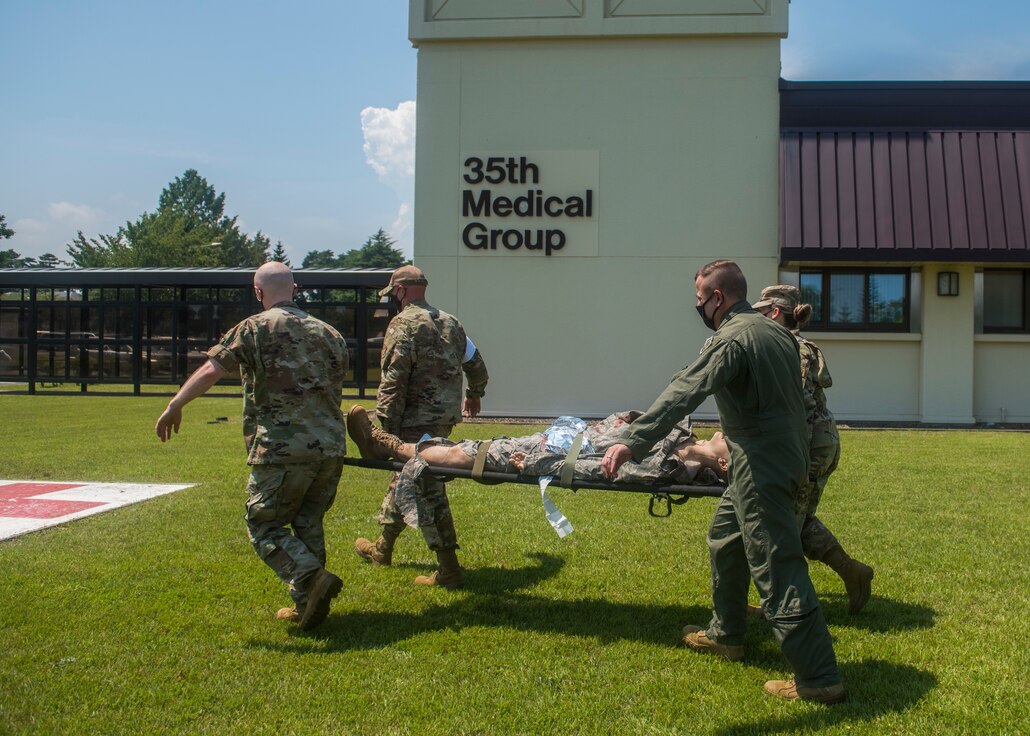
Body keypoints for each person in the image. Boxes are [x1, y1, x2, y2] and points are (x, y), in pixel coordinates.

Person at [601, 260, 845, 705]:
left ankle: (819, 677)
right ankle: (727, 633)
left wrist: (632, 441)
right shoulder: (777, 334)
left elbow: (685, 390)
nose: (698, 306)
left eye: (700, 299)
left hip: (761, 464)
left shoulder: (732, 337)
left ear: (717, 297)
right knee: (726, 537)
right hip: (782, 454)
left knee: (777, 564)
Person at [155, 261, 348, 631]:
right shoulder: (330, 333)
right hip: (329, 446)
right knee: (308, 522)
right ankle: (307, 602)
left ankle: (309, 577)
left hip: (281, 448)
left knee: (263, 525)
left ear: (258, 292)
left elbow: (213, 369)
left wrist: (174, 404)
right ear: (295, 289)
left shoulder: (254, 328)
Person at [353, 265, 488, 590]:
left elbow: (394, 378)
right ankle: (382, 549)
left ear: (399, 291)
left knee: (426, 487)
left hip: (412, 422)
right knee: (406, 480)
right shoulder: (451, 323)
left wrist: (381, 432)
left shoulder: (402, 324)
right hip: (443, 419)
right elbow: (476, 364)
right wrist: (474, 394)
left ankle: (449, 568)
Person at [753, 285, 874, 614]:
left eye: (761, 313)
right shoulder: (798, 346)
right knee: (799, 520)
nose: (756, 319)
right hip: (818, 442)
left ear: (775, 313)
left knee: (784, 527)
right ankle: (853, 572)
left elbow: (800, 407)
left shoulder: (790, 348)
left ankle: (782, 605)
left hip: (807, 445)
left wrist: (799, 462)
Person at [346, 405, 729, 486]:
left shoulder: (667, 468)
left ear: (724, 466)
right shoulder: (682, 434)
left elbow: (596, 469)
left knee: (474, 453)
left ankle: (392, 447)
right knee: (480, 444)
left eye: (731, 443)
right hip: (566, 437)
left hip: (552, 454)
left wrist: (533, 461)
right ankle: (399, 447)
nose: (727, 433)